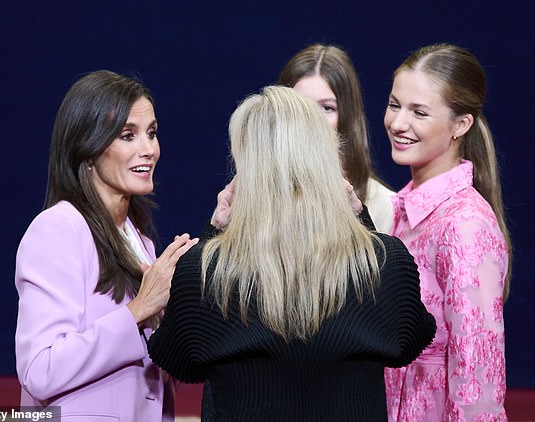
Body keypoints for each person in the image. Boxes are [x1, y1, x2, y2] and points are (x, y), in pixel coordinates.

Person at [148, 86, 436, 421]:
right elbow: (409, 340)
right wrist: (361, 224)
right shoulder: (386, 260)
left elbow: (180, 360)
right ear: (327, 157)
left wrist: (216, 232)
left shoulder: (204, 269)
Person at [14, 70, 198, 421]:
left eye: (152, 133)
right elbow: (40, 369)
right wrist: (138, 311)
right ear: (88, 146)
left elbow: (151, 379)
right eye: (128, 135)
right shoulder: (58, 228)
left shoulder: (139, 240)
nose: (149, 150)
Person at [382, 43, 512, 421]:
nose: (398, 123)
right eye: (394, 105)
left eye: (419, 112)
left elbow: (478, 380)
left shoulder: (464, 224)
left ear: (461, 124)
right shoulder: (406, 212)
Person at [278, 43, 396, 233]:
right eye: (301, 106)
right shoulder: (249, 196)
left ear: (347, 117)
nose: (313, 120)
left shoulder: (384, 206)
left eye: (327, 108)